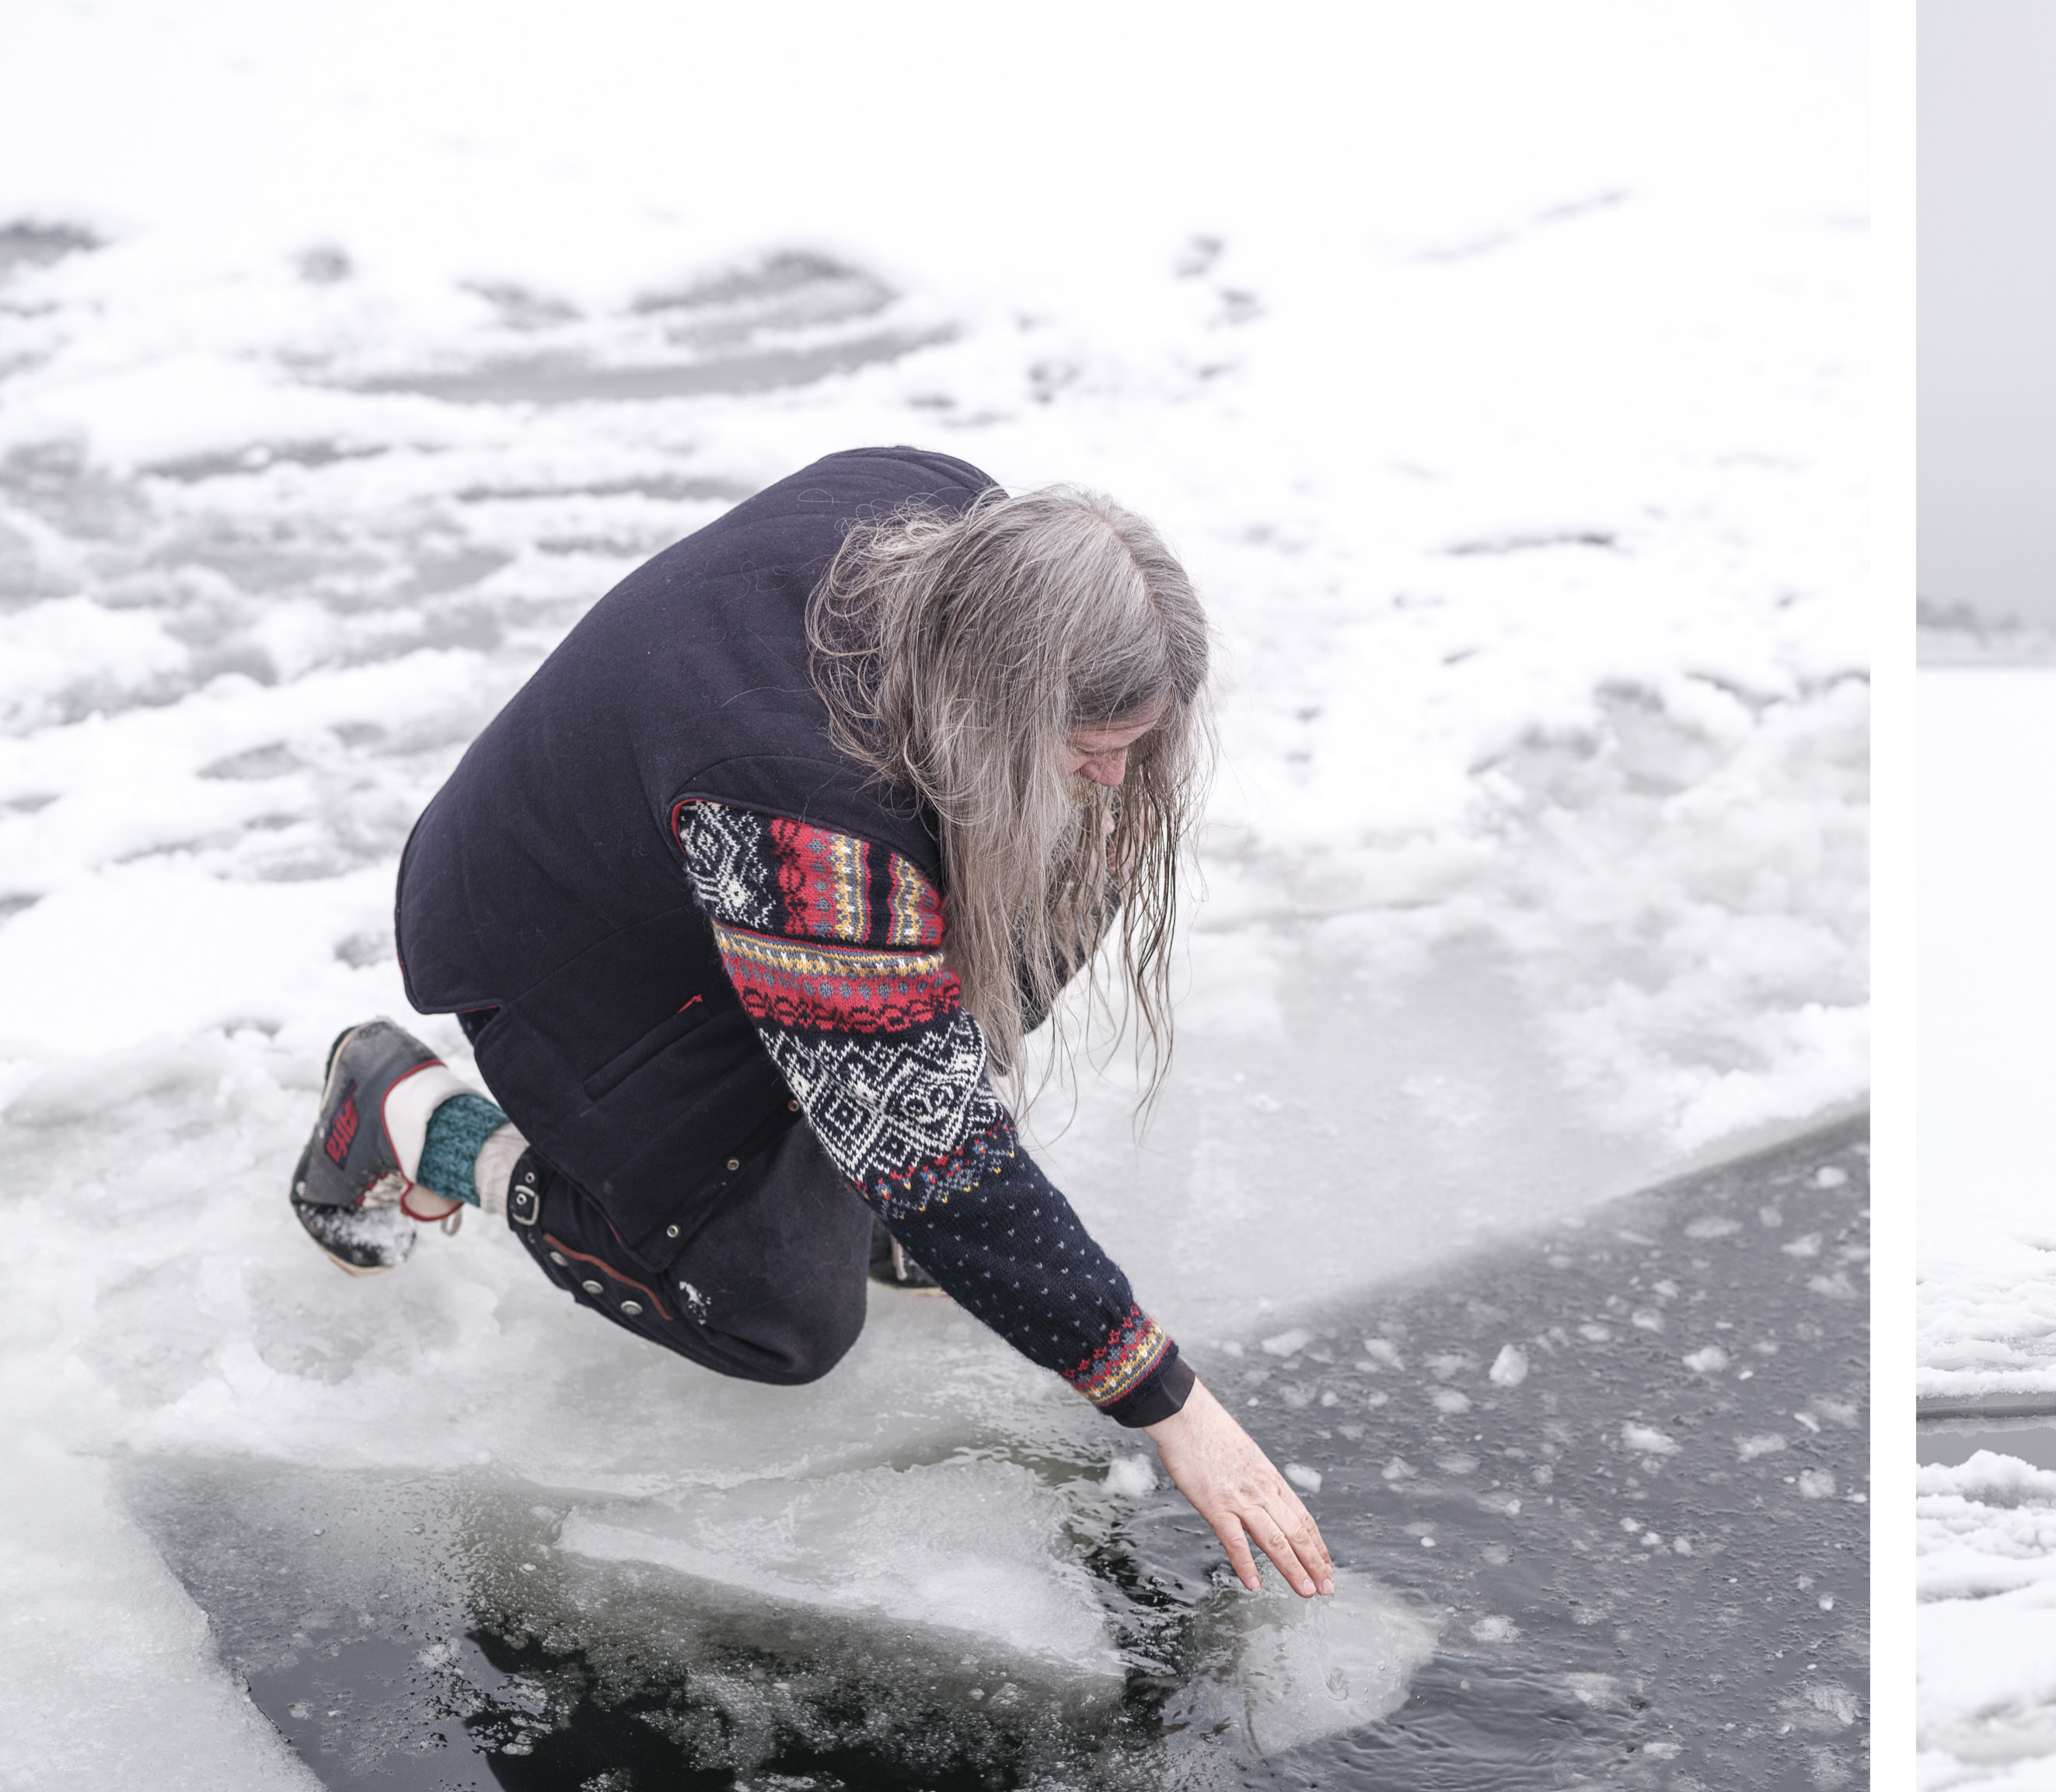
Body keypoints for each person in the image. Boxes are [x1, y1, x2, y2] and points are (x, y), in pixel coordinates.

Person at [288, 447, 1334, 1600]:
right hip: (568, 946)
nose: (1114, 775)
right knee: (781, 1315)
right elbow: (928, 1151)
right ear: (995, 695)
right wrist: (1166, 1400)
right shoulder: (801, 812)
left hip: (721, 881)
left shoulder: (946, 517)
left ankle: (842, 1100)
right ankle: (419, 1119)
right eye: (1088, 748)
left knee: (1065, 858)